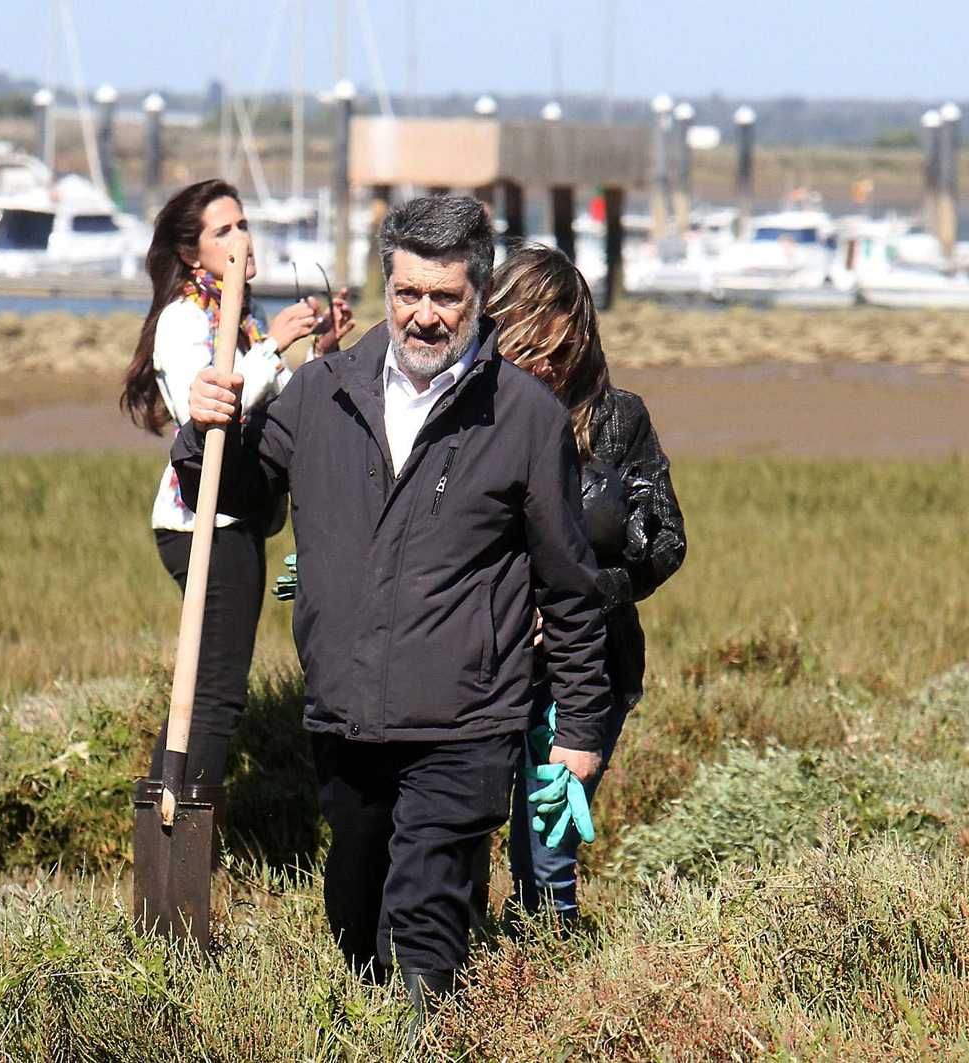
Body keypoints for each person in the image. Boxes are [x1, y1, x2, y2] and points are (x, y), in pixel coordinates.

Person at [176, 194, 610, 1017]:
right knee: (355, 922)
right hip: (344, 718)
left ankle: (427, 1030)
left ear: (477, 296)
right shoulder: (320, 394)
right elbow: (236, 494)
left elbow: (570, 584)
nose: (424, 316)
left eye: (445, 297)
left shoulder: (523, 415)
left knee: (422, 932)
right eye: (408, 293)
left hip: (465, 724)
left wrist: (582, 731)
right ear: (386, 287)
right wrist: (205, 431)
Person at [121, 178, 354, 786]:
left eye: (243, 223)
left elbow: (275, 410)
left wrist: (318, 349)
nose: (241, 238)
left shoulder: (236, 314)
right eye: (223, 230)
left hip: (238, 516)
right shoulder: (184, 319)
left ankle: (184, 824)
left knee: (211, 690)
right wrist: (275, 344)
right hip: (202, 522)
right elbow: (214, 406)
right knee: (216, 696)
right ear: (192, 255)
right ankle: (178, 830)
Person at [487, 243, 687, 926]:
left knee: (546, 845)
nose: (546, 364)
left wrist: (587, 596)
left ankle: (547, 974)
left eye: (561, 347)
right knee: (457, 831)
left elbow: (665, 543)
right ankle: (469, 968)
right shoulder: (468, 416)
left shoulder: (618, 419)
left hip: (590, 667)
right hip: (483, 661)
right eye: (527, 346)